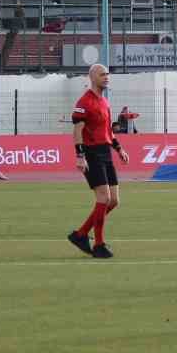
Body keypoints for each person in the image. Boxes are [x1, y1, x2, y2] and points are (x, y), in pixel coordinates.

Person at [68, 62, 129, 259]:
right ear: (92, 77)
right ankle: (99, 245)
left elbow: (108, 131)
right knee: (103, 199)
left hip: (106, 152)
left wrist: (119, 148)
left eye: (108, 74)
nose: (107, 77)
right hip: (92, 153)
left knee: (114, 201)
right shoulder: (84, 102)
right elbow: (77, 131)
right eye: (103, 74)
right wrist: (80, 156)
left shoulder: (104, 101)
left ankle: (81, 234)